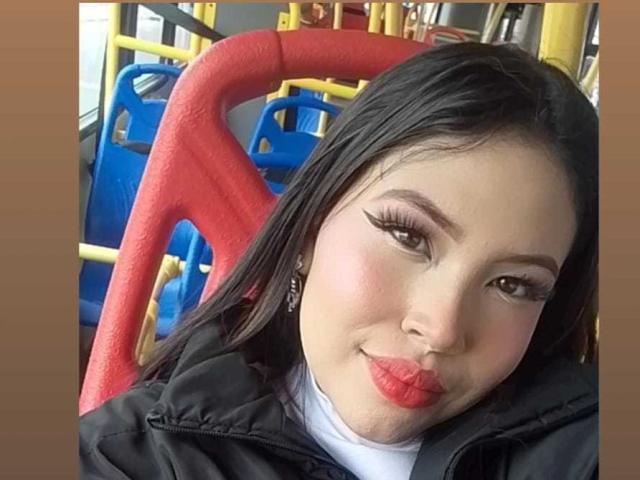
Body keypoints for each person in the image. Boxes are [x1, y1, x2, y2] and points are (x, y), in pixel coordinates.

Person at [80, 40, 598, 480]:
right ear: (310, 227)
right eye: (408, 236)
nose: (441, 330)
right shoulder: (127, 457)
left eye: (513, 285)